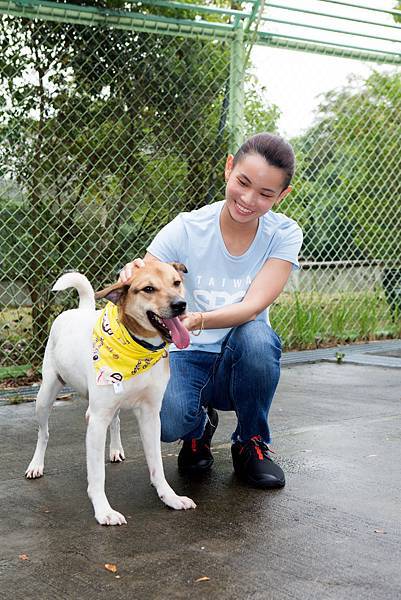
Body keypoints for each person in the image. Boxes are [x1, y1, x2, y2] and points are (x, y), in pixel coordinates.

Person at [119, 133, 303, 489]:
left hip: (241, 352)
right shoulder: (187, 227)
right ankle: (198, 430)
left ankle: (251, 443)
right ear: (229, 168)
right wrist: (131, 271)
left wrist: (199, 319)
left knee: (260, 338)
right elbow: (148, 277)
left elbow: (253, 307)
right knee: (169, 423)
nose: (248, 199)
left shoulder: (283, 233)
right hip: (187, 353)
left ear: (282, 196)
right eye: (243, 183)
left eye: (266, 194)